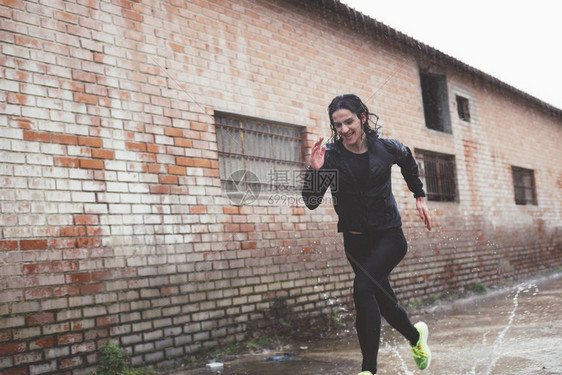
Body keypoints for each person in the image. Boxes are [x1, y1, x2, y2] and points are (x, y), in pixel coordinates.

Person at [302, 94, 432, 375]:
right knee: (384, 303)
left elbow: (407, 159)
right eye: (337, 125)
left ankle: (368, 371)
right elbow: (311, 201)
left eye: (348, 121)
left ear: (362, 117)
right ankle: (416, 337)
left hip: (389, 237)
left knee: (362, 290)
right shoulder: (332, 157)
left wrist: (419, 195)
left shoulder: (385, 148)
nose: (344, 129)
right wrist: (315, 171)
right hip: (355, 241)